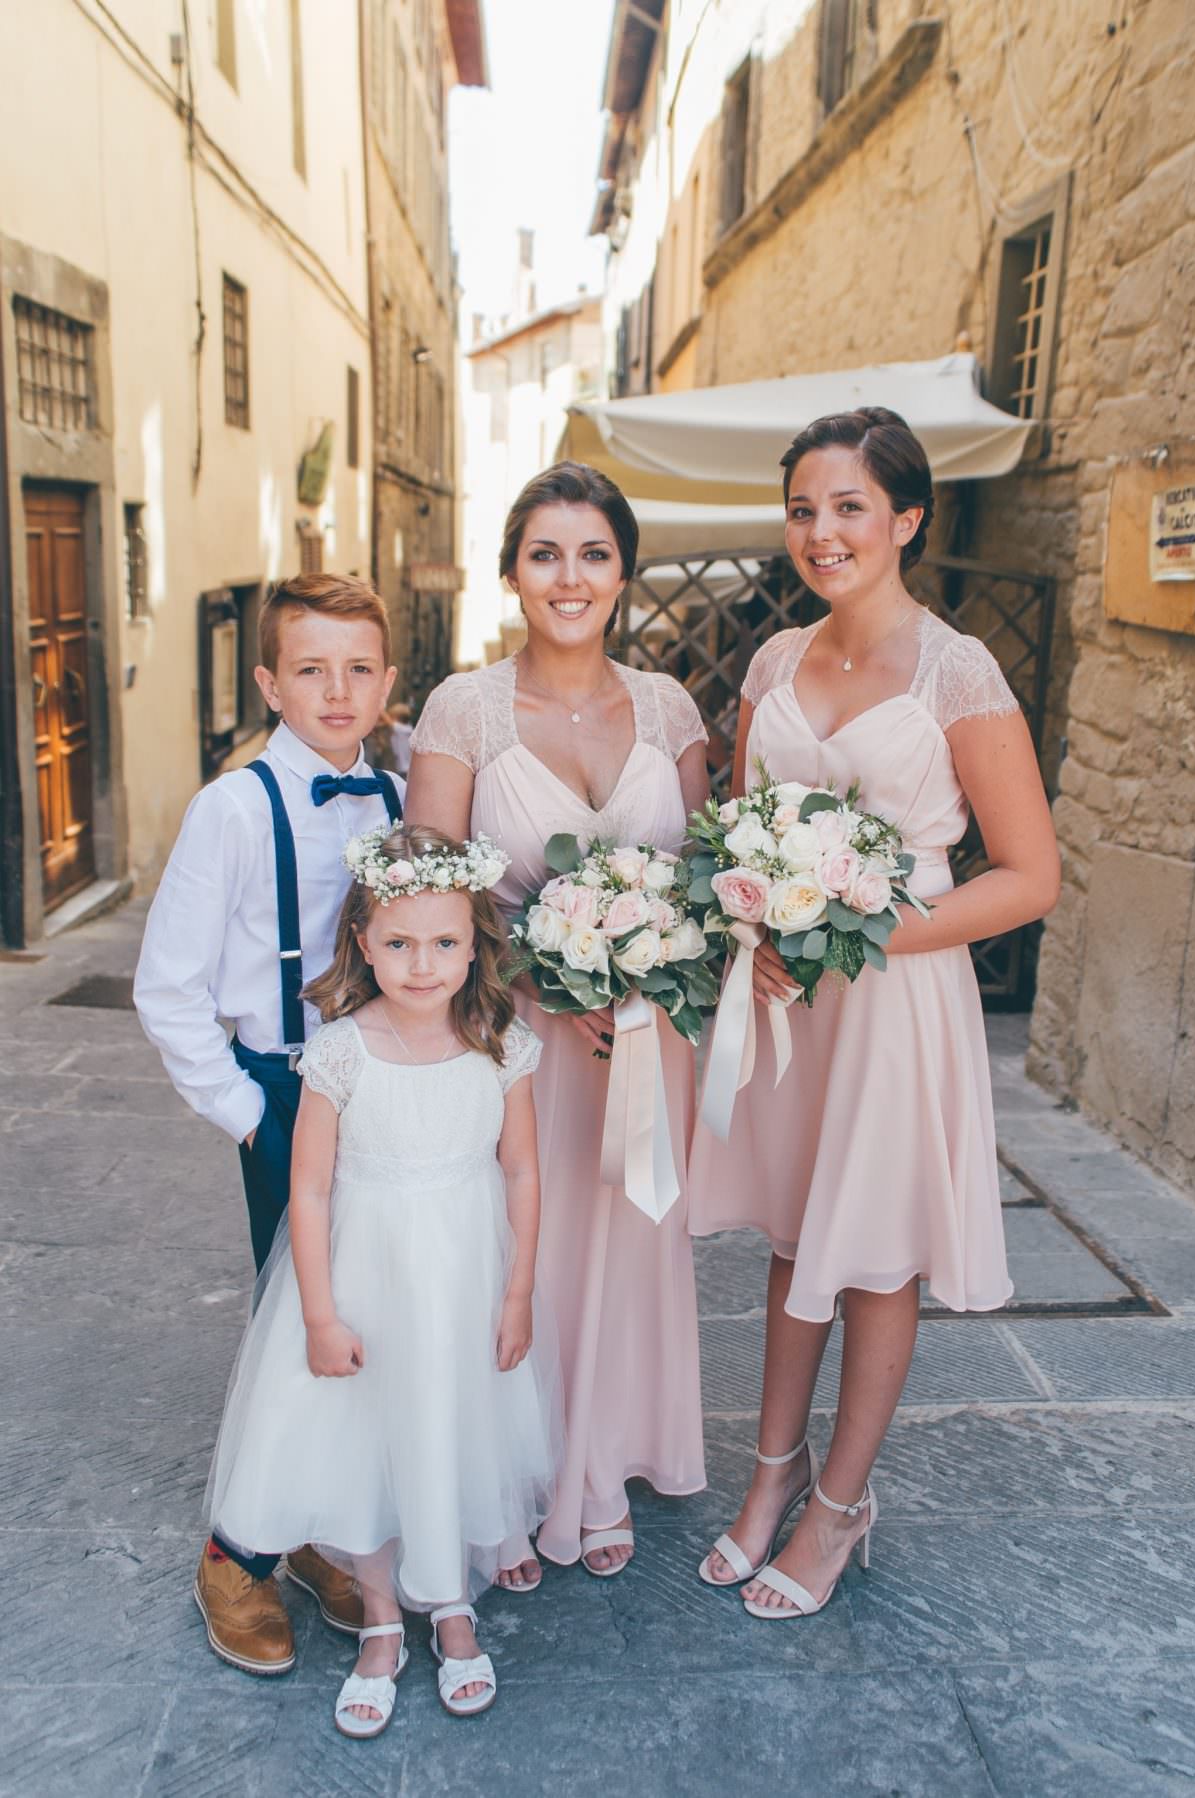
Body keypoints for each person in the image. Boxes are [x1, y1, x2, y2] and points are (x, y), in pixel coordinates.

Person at [690, 407, 1060, 1619]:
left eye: (849, 507)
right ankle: (771, 1476)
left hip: (899, 996)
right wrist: (766, 931)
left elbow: (1028, 875)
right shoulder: (770, 665)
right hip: (797, 1000)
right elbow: (738, 835)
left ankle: (842, 1508)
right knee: (799, 1227)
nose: (822, 531)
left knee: (873, 1249)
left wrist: (859, 926)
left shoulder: (960, 671)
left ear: (904, 519)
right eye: (803, 508)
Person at [405, 461, 708, 1580]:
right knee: (517, 1249)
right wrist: (552, 968)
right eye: (545, 553)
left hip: (646, 1038)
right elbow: (429, 893)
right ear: (511, 573)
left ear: (624, 571)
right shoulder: (462, 710)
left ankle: (607, 1460)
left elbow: (704, 872)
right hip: (520, 1038)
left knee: (628, 1239)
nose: (568, 576)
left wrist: (652, 961)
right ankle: (518, 1475)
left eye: (592, 553)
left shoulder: (671, 706)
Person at [206, 825, 558, 1735]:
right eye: (399, 943)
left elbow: (520, 1170)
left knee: (446, 1427)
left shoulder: (501, 1047)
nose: (422, 964)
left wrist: (518, 1291)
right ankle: (380, 1620)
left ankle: (450, 1606)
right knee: (365, 1440)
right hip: (363, 1277)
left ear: (477, 943)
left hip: (463, 1277)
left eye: (445, 943)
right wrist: (319, 1315)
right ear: (362, 942)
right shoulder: (338, 1053)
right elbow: (310, 1191)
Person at [134, 573, 404, 1673]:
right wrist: (250, 1113)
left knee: (367, 1320)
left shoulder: (392, 799)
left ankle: (321, 1531)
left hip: (386, 1089)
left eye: (357, 669)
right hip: (289, 1093)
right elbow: (168, 989)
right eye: (309, 669)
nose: (336, 692)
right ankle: (235, 1552)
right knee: (299, 1331)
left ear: (388, 682)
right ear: (268, 682)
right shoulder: (231, 807)